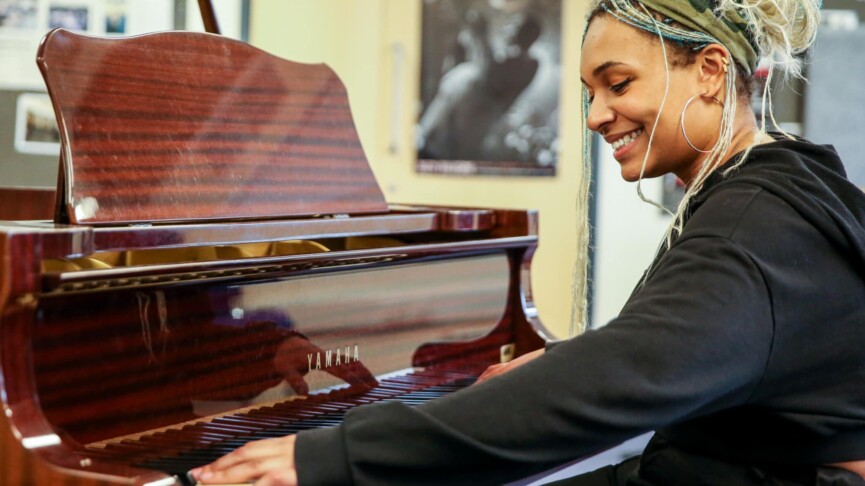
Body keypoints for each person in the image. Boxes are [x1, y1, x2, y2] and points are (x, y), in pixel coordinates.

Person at [191, 0, 865, 483]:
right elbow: (678, 346)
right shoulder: (773, 190)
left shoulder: (756, 225)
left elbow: (617, 381)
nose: (596, 114)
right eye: (588, 92)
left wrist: (325, 458)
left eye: (618, 83)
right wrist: (564, 362)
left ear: (711, 71)